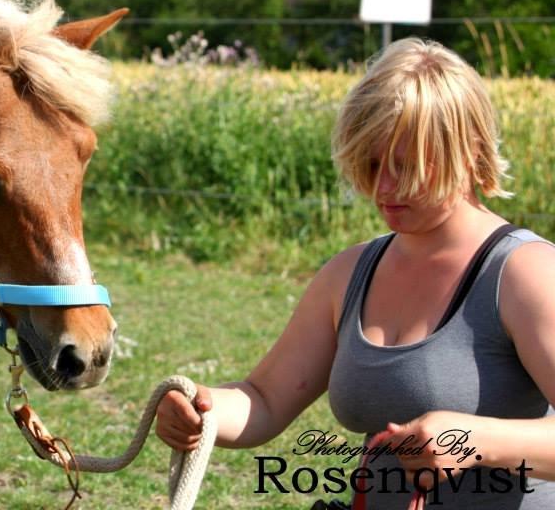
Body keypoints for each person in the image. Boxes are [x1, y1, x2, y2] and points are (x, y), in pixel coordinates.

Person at [156, 37, 555, 509]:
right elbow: (263, 399)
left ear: (465, 152)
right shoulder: (349, 273)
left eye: (405, 166)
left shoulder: (525, 273)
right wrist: (202, 411)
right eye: (370, 164)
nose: (383, 187)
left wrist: (478, 440)